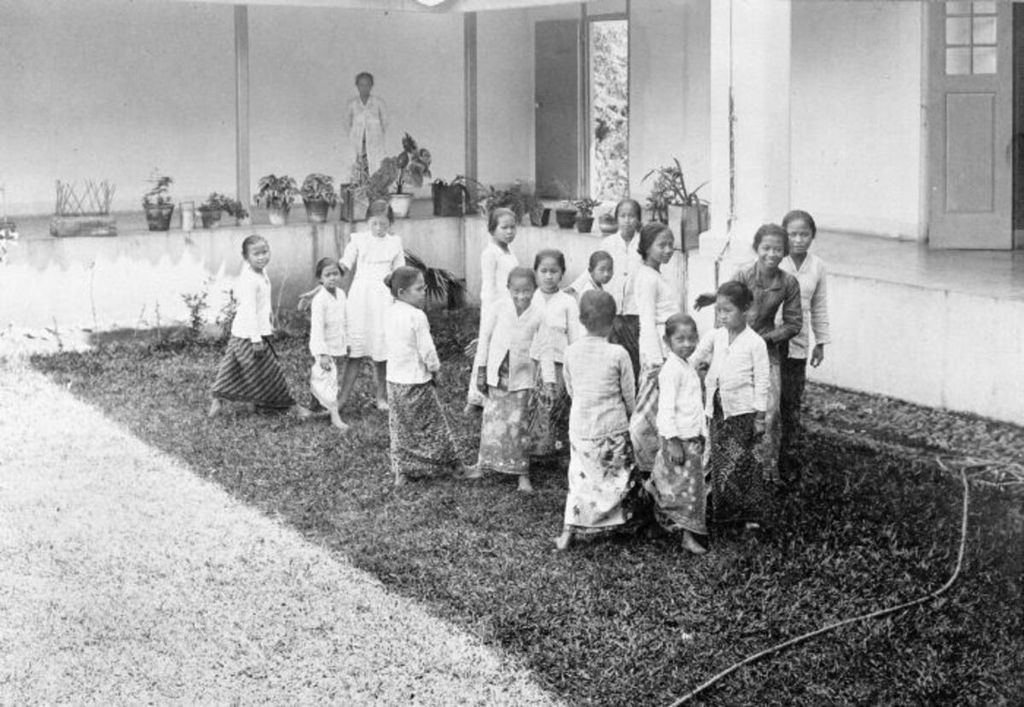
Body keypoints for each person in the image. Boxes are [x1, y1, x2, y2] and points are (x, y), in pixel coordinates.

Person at [555, 290, 643, 551]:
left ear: (581, 320)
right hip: (613, 425)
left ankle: (569, 533)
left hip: (582, 426)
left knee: (580, 479)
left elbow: (571, 389)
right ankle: (620, 523)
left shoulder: (570, 351)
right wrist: (630, 414)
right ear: (614, 321)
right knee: (619, 477)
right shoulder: (619, 353)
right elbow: (629, 394)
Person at [690, 281, 769, 529]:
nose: (722, 316)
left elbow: (762, 381)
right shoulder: (716, 335)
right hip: (717, 411)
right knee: (718, 460)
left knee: (745, 462)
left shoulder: (755, 343)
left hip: (742, 413)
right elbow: (696, 358)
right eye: (719, 310)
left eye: (728, 310)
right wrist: (678, 369)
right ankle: (721, 513)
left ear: (745, 309)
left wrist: (759, 416)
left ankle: (749, 517)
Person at [727, 224, 802, 484]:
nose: (772, 254)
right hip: (736, 345)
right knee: (734, 407)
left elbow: (794, 323)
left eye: (778, 249)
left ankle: (766, 471)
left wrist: (765, 339)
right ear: (756, 248)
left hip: (767, 349)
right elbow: (725, 310)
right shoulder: (743, 274)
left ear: (785, 252)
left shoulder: (788, 282)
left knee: (770, 411)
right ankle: (731, 467)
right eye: (766, 248)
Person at [208, 235, 310, 420]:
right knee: (270, 370)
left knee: (231, 368)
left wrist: (268, 325)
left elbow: (261, 306)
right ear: (246, 257)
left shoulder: (260, 272)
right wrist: (256, 339)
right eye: (256, 254)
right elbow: (249, 311)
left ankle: (221, 400)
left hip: (242, 332)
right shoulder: (249, 280)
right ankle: (292, 406)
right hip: (248, 335)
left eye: (265, 252)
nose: (262, 257)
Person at [384, 266, 463, 486]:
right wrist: (435, 369)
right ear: (402, 293)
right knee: (433, 423)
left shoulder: (389, 312)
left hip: (394, 380)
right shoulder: (417, 316)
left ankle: (403, 471)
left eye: (424, 288)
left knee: (401, 426)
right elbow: (426, 349)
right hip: (416, 380)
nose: (424, 293)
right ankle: (455, 464)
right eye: (419, 289)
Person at [465, 267, 542, 493]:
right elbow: (485, 341)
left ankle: (522, 474)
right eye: (516, 291)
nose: (521, 296)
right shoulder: (498, 307)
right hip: (496, 376)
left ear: (534, 290)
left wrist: (543, 379)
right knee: (491, 421)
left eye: (527, 291)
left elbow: (542, 348)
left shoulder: (539, 313)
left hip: (522, 379)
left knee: (518, 425)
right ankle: (483, 465)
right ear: (508, 289)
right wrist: (480, 370)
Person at [645, 314, 708, 555]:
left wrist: (701, 433)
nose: (687, 344)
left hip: (691, 439)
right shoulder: (671, 370)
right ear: (667, 341)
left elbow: (693, 404)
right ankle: (686, 535)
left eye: (692, 338)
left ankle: (658, 518)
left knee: (681, 486)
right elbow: (666, 409)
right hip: (679, 440)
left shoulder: (687, 365)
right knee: (686, 491)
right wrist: (672, 441)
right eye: (680, 339)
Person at [338, 200, 406, 411]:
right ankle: (341, 399)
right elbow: (345, 263)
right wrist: (328, 277)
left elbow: (400, 272)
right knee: (356, 350)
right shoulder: (358, 240)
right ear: (367, 222)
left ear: (390, 224)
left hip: (384, 298)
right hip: (361, 297)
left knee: (381, 351)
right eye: (374, 224)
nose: (378, 229)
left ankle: (381, 397)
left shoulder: (394, 243)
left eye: (383, 225)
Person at [566, 198, 643, 378]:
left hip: (635, 308)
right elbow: (593, 267)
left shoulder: (643, 244)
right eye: (623, 216)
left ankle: (633, 391)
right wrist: (574, 288)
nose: (627, 220)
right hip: (612, 308)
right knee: (612, 352)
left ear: (638, 219)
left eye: (632, 216)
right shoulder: (608, 243)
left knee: (633, 354)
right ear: (616, 219)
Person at [779, 210, 830, 479]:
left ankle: (788, 458)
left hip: (797, 344)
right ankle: (766, 459)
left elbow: (818, 307)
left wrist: (820, 342)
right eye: (792, 234)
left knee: (791, 400)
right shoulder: (775, 260)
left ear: (812, 236)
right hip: (771, 341)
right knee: (769, 402)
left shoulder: (817, 267)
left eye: (804, 234)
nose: (798, 240)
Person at [627, 222, 680, 476]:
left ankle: (658, 461)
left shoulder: (656, 274)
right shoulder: (647, 277)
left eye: (671, 244)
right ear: (647, 247)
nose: (668, 249)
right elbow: (647, 321)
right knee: (646, 412)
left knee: (664, 407)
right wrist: (656, 360)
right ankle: (640, 463)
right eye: (662, 245)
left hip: (667, 347)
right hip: (656, 351)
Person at [527, 249, 580, 465]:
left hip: (559, 360)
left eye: (554, 271)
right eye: (544, 271)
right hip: (534, 359)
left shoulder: (567, 302)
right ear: (536, 272)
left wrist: (574, 361)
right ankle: (536, 448)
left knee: (557, 402)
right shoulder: (530, 298)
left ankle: (558, 448)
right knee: (534, 401)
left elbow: (574, 334)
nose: (549, 276)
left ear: (562, 273)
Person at [465, 207, 519, 413]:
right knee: (484, 350)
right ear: (492, 229)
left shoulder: (509, 251)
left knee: (501, 349)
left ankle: (495, 390)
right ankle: (475, 398)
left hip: (509, 308)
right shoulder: (490, 253)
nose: (509, 232)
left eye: (512, 227)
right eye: (504, 227)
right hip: (494, 308)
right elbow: (488, 286)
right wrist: (491, 313)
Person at [308, 257, 350, 432]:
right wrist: (322, 353)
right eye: (327, 275)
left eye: (335, 274)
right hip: (323, 346)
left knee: (324, 377)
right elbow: (316, 328)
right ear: (320, 278)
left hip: (337, 343)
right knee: (329, 379)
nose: (332, 278)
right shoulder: (319, 300)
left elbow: (346, 319)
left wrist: (346, 342)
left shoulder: (341, 294)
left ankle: (315, 406)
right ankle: (335, 416)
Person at [345, 71, 388, 176]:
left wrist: (375, 133)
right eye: (361, 85)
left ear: (371, 86)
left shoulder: (379, 103)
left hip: (374, 142)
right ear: (357, 86)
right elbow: (346, 123)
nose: (364, 88)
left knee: (375, 168)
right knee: (356, 168)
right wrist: (355, 134)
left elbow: (385, 122)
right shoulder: (352, 104)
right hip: (356, 141)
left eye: (367, 85)